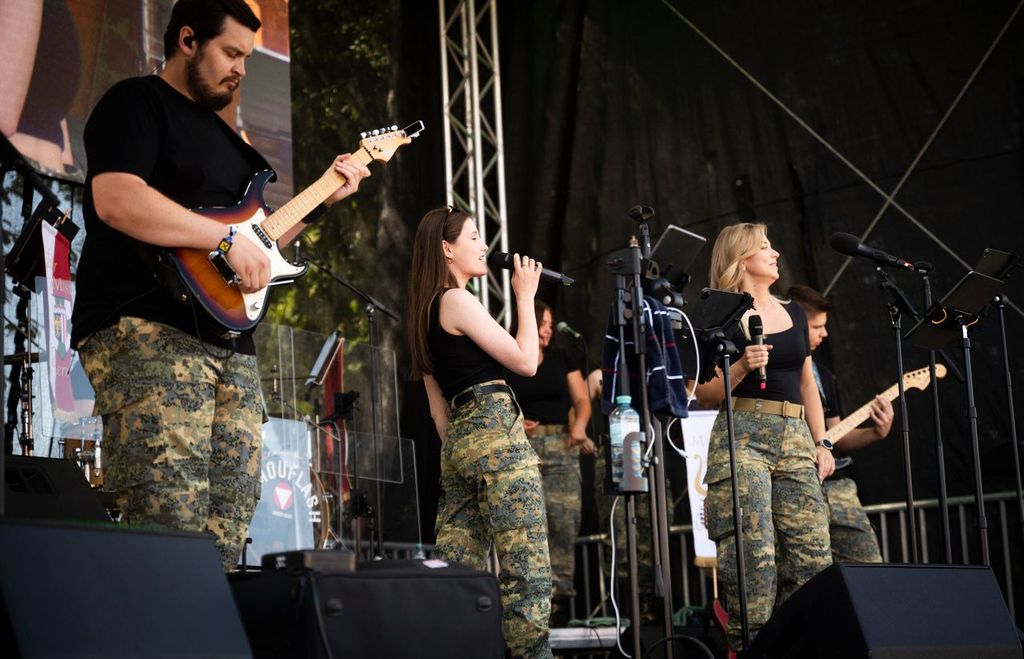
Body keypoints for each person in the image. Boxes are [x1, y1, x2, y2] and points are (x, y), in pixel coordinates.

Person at [70, 0, 370, 570]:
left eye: (248, 58)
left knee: (229, 527)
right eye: (231, 52)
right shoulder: (135, 103)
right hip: (147, 329)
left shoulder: (234, 145)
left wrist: (324, 201)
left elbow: (258, 246)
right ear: (188, 40)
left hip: (230, 348)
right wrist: (224, 239)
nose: (240, 69)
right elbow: (116, 199)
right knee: (167, 522)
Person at [407, 206, 552, 659]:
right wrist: (525, 297)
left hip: (460, 448)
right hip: (495, 436)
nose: (484, 245)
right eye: (473, 236)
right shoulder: (457, 300)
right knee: (527, 573)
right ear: (447, 249)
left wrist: (465, 454)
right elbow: (527, 362)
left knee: (456, 572)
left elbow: (438, 415)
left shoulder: (424, 314)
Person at [694, 222, 834, 650]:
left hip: (794, 436)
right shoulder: (717, 314)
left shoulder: (792, 311)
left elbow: (807, 383)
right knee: (752, 562)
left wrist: (822, 441)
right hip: (742, 438)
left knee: (814, 557)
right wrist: (739, 368)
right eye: (765, 246)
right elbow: (701, 395)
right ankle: (750, 644)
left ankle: (799, 645)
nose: (775, 253)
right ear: (742, 259)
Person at [787, 284, 893, 563]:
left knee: (868, 563)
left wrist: (875, 431)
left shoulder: (822, 375)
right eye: (816, 326)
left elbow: (836, 435)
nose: (825, 333)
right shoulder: (778, 371)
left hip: (833, 483)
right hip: (793, 483)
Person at [505, 301, 596, 625]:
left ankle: (558, 603)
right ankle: (530, 601)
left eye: (549, 323)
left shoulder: (562, 357)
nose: (547, 329)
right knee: (529, 527)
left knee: (563, 521)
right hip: (523, 449)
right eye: (543, 323)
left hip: (560, 445)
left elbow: (582, 400)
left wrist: (580, 425)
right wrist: (514, 422)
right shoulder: (509, 355)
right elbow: (497, 401)